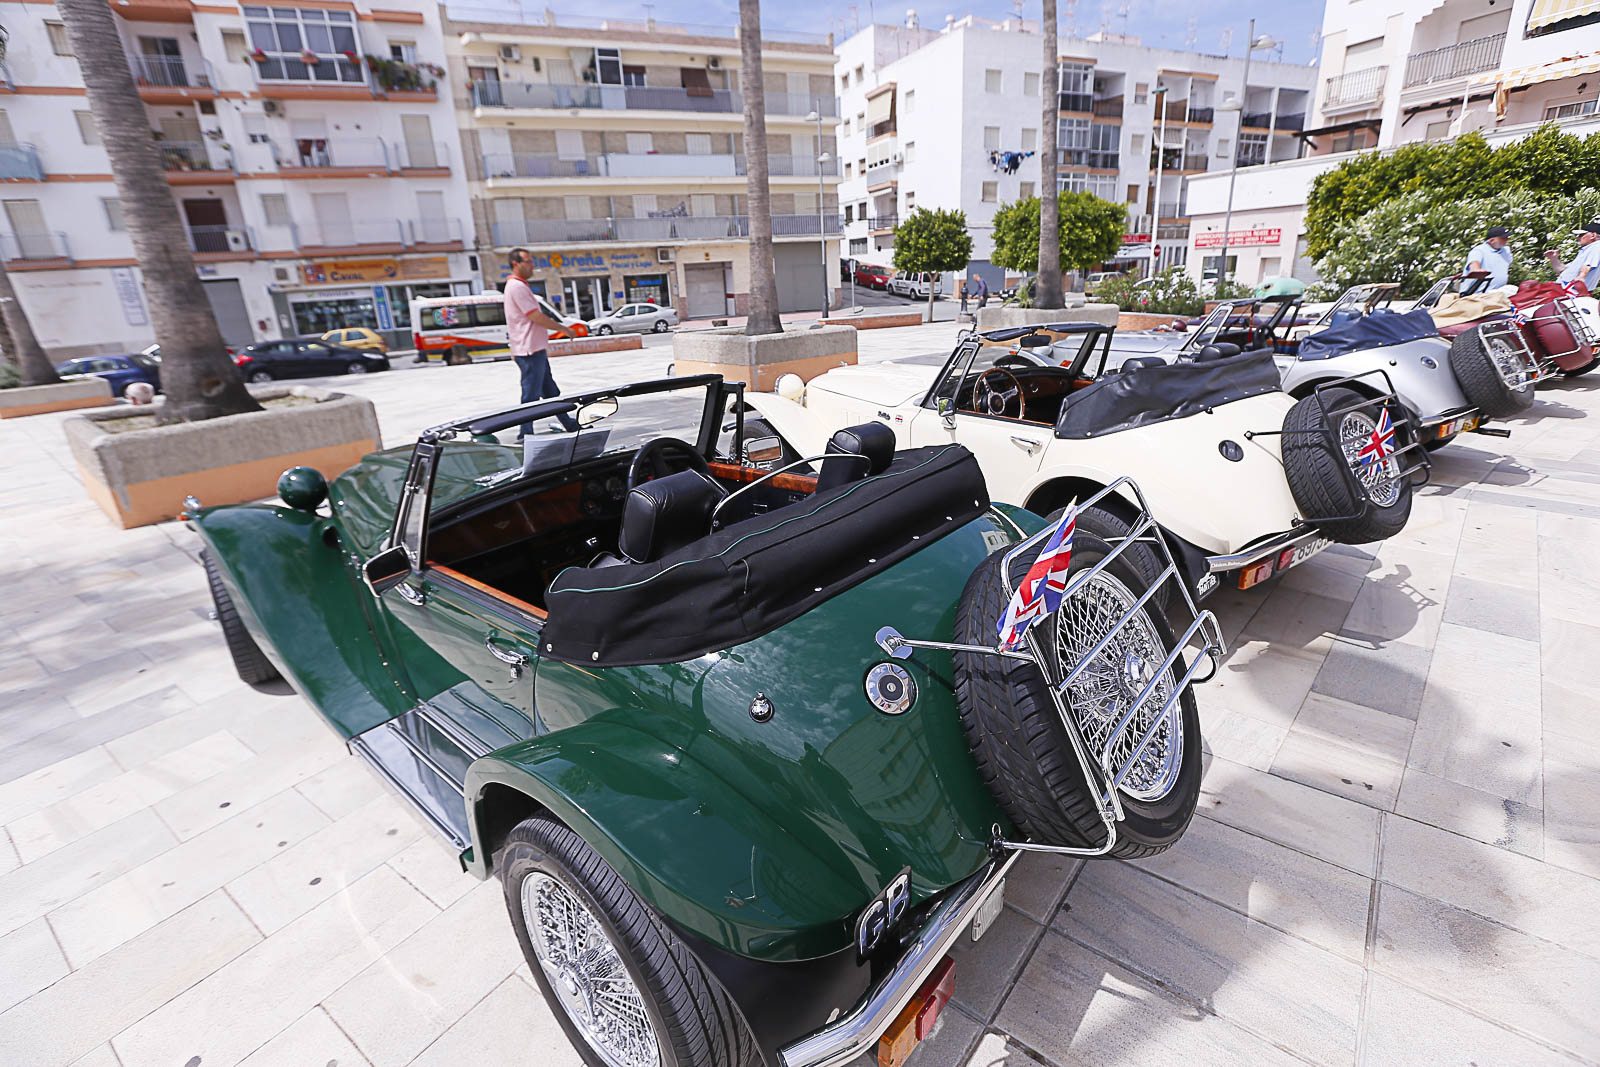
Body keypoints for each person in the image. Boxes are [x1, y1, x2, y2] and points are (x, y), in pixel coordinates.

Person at [503, 248, 579, 437]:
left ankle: (568, 423)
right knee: (531, 395)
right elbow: (535, 316)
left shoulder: (518, 286)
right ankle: (525, 433)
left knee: (550, 391)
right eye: (528, 262)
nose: (532, 266)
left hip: (533, 348)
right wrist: (564, 329)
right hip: (529, 350)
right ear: (516, 264)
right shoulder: (517, 287)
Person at [1546, 216, 1600, 293]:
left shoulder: (1597, 246)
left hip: (1572, 292)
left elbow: (1588, 266)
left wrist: (1581, 278)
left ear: (1593, 236)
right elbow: (1563, 271)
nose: (1577, 238)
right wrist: (1553, 258)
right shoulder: (1586, 250)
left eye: (1581, 235)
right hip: (1564, 289)